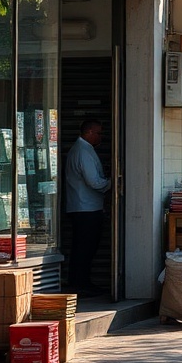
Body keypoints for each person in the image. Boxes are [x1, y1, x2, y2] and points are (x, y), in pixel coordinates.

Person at [65, 119, 111, 296]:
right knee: (85, 247)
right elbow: (94, 181)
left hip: (84, 206)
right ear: (89, 132)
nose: (101, 137)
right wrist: (110, 184)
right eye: (99, 133)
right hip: (85, 208)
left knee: (84, 247)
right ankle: (80, 283)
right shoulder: (83, 151)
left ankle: (81, 281)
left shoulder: (83, 150)